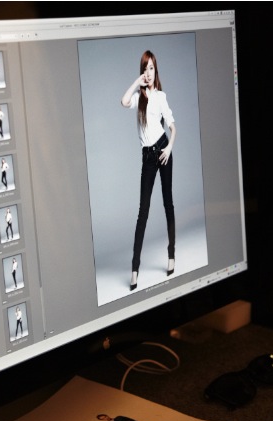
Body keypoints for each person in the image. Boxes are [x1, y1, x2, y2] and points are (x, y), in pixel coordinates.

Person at [121, 50, 176, 291]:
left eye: (151, 68)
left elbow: (173, 127)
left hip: (163, 150)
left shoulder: (161, 97)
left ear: (156, 70)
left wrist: (169, 147)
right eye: (145, 69)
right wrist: (137, 82)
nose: (149, 72)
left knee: (167, 203)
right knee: (143, 212)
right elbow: (123, 101)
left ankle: (171, 255)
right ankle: (134, 269)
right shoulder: (138, 99)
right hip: (147, 158)